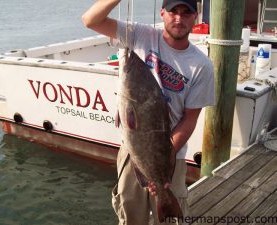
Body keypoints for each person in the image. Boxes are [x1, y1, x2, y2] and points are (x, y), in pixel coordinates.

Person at [82, 0, 215, 224]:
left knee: (171, 218)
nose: (179, 19)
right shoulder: (140, 35)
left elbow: (190, 120)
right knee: (131, 214)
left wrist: (161, 160)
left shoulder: (202, 66)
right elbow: (90, 20)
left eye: (186, 13)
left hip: (172, 154)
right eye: (173, 11)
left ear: (196, 16)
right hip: (133, 150)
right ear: (162, 13)